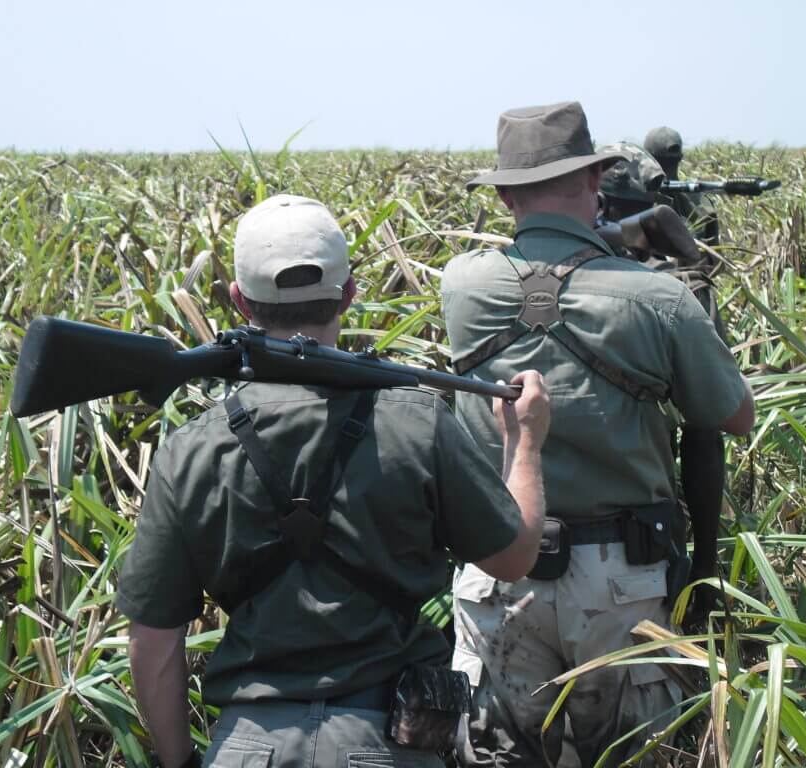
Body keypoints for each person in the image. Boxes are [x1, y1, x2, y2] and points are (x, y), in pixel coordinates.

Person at [116, 193, 552, 768]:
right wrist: (525, 445)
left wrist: (178, 762)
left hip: (247, 747)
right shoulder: (417, 423)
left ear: (239, 301)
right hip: (390, 745)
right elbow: (513, 557)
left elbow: (153, 641)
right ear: (349, 293)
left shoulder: (188, 449)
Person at [441, 102, 755, 767]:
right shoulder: (657, 299)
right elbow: (732, 416)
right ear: (597, 179)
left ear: (501, 195)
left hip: (499, 569)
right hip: (620, 586)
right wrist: (692, 267)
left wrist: (608, 247)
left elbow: (541, 289)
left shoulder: (460, 287)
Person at [599, 141, 730, 628]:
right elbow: (708, 430)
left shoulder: (511, 279)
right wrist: (705, 562)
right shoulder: (679, 292)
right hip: (640, 547)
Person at [644, 126, 719, 245]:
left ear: (647, 159)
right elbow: (715, 255)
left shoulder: (636, 199)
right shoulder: (701, 201)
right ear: (680, 158)